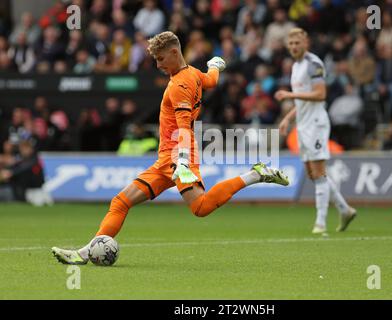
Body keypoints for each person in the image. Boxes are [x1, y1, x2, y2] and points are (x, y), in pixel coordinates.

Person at [52, 31, 289, 265]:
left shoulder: (179, 86)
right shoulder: (193, 73)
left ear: (174, 52)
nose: (158, 65)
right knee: (120, 202)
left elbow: (184, 127)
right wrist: (216, 64)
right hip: (167, 157)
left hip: (178, 155)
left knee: (201, 207)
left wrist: (183, 160)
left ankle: (256, 174)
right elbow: (211, 80)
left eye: (160, 59)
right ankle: (83, 254)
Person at [275, 28, 356, 235]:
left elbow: (320, 95)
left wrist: (289, 94)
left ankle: (320, 223)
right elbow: (302, 100)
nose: (293, 47)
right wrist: (287, 118)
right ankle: (344, 209)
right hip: (303, 124)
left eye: (297, 43)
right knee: (312, 173)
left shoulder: (313, 64)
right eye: (290, 43)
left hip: (317, 124)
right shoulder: (296, 66)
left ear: (306, 43)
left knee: (319, 173)